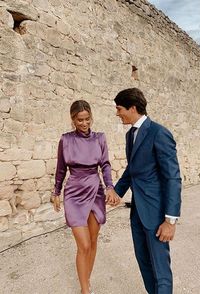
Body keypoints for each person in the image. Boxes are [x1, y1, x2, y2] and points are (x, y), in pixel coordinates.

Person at [109, 88, 182, 294]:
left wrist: (170, 221)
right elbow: (132, 170)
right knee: (144, 263)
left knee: (160, 269)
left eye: (119, 109)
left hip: (157, 214)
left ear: (132, 108)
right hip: (137, 214)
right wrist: (116, 192)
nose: (117, 113)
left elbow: (172, 177)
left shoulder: (159, 133)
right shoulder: (130, 135)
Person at [51, 100, 119, 294]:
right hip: (74, 192)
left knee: (94, 241)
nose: (84, 123)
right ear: (73, 119)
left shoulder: (100, 138)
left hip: (95, 190)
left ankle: (85, 281)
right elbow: (61, 169)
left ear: (91, 117)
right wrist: (56, 192)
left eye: (87, 119)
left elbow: (105, 165)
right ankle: (85, 291)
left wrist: (109, 187)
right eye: (80, 120)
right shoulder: (65, 140)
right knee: (84, 244)